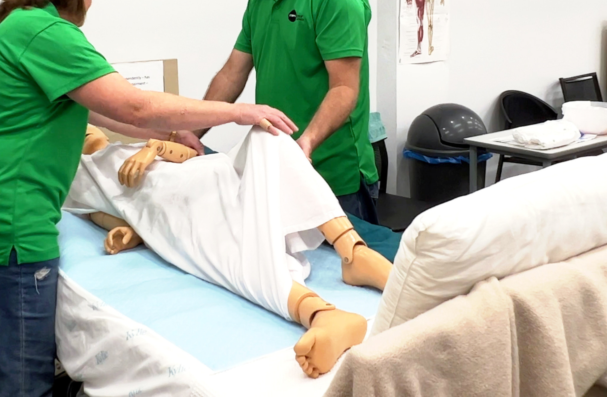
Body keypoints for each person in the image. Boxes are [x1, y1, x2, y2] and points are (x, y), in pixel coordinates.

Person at [0, 0, 296, 397]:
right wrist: (239, 112)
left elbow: (107, 112)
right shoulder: (47, 34)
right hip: (7, 228)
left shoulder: (18, 28)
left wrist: (170, 136)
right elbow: (135, 107)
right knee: (18, 384)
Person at [66, 126, 393, 378]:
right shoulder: (75, 179)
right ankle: (321, 314)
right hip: (165, 206)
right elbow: (110, 216)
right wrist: (129, 233)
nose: (86, 132)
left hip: (204, 175)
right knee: (223, 248)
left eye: (89, 127)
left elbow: (189, 157)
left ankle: (352, 250)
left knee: (272, 137)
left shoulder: (132, 145)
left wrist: (152, 149)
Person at [198, 0, 381, 224]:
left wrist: (306, 144)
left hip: (334, 178)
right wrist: (192, 133)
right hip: (278, 169)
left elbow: (345, 89)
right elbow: (232, 73)